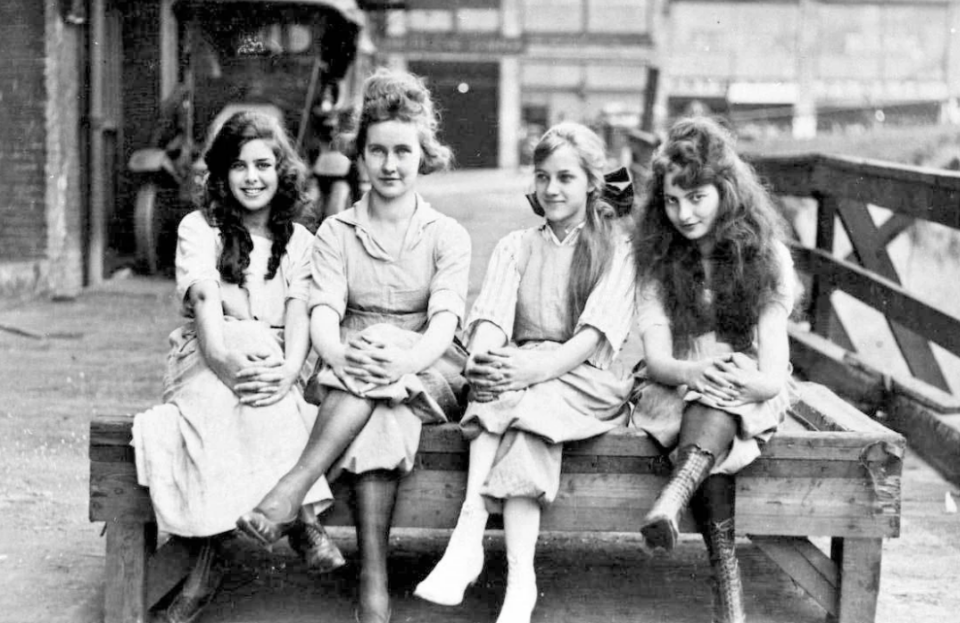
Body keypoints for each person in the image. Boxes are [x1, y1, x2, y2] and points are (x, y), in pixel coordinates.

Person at [236, 68, 471, 623]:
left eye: (403, 152)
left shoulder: (446, 235)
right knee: (383, 416)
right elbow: (323, 315)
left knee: (384, 367)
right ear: (360, 156)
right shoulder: (337, 232)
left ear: (423, 155)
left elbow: (442, 323)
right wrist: (343, 356)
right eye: (377, 151)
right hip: (351, 360)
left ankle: (291, 490)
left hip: (429, 362)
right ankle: (374, 580)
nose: (391, 165)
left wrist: (403, 357)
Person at [414, 122, 636, 623]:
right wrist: (488, 358)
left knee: (526, 403)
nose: (552, 189)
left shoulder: (615, 251)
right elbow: (492, 316)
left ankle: (481, 546)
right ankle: (510, 571)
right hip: (525, 375)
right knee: (496, 389)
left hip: (584, 380)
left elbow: (590, 340)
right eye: (543, 177)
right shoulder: (517, 245)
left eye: (565, 178)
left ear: (591, 184)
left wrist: (528, 369)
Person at [132, 110, 341, 623]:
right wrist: (224, 359)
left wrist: (291, 371)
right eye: (240, 166)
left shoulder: (298, 241)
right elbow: (204, 299)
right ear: (222, 174)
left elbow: (297, 315)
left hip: (273, 366)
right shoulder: (198, 228)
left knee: (262, 371)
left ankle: (205, 572)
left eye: (264, 165)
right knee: (231, 375)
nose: (252, 177)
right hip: (205, 358)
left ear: (281, 171)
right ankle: (305, 519)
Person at [630, 116, 801, 623]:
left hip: (743, 383)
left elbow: (773, 360)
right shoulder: (657, 262)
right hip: (674, 383)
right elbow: (659, 358)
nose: (684, 213)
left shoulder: (767, 256)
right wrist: (692, 373)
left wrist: (757, 383)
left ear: (725, 190)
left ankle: (675, 497)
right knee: (709, 392)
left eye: (697, 197)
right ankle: (726, 581)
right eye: (672, 200)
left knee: (723, 389)